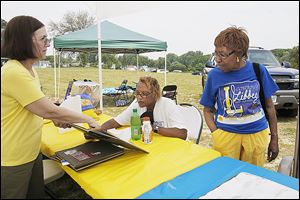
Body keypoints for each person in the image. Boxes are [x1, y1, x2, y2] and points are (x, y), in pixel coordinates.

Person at [1, 16, 101, 199]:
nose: (47, 44)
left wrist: (55, 118)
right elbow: (49, 109)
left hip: (30, 152)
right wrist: (88, 119)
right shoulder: (13, 72)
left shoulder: (29, 70)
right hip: (13, 158)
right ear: (24, 41)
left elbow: (34, 107)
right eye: (43, 39)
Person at [200, 26, 279, 167]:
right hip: (225, 137)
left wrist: (274, 139)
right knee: (225, 178)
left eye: (222, 54)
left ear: (239, 54)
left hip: (256, 136)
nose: (217, 59)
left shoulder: (258, 70)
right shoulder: (214, 75)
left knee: (251, 179)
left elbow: (269, 106)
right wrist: (217, 134)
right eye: (216, 53)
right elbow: (207, 110)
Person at [93, 76, 187, 140]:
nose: (139, 97)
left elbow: (182, 134)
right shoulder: (137, 105)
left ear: (155, 94)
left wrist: (154, 127)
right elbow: (116, 121)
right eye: (137, 93)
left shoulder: (168, 104)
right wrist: (98, 131)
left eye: (144, 94)